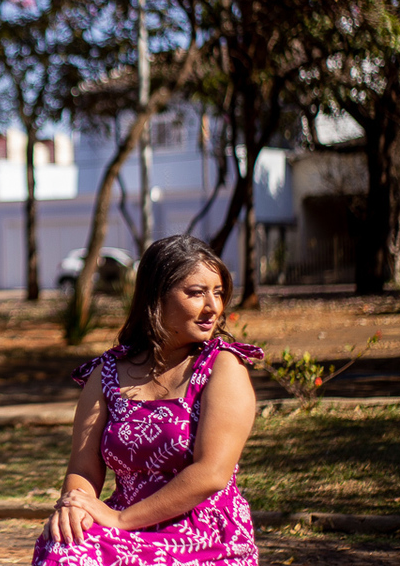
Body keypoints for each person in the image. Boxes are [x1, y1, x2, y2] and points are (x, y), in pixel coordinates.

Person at [32, 234, 262, 566]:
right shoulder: (107, 372)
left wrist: (121, 521)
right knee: (64, 546)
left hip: (203, 533)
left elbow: (212, 473)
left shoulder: (223, 366)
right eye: (196, 293)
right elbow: (83, 467)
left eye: (218, 293)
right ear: (156, 296)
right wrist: (75, 506)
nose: (213, 306)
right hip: (122, 524)